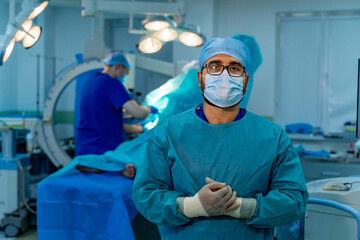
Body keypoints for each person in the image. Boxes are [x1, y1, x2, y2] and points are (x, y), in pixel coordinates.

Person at [132, 37, 308, 239]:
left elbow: (294, 199)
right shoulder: (169, 132)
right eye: (215, 66)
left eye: (234, 68)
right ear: (200, 78)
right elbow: (145, 194)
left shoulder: (273, 136)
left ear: (245, 81)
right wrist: (191, 206)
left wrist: (243, 208)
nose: (224, 75)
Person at [76, 52, 157, 176]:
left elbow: (105, 121)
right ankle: (123, 169)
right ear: (119, 66)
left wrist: (140, 129)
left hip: (85, 152)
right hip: (105, 151)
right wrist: (149, 110)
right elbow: (139, 113)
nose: (125, 76)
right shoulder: (112, 84)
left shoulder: (90, 81)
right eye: (126, 72)